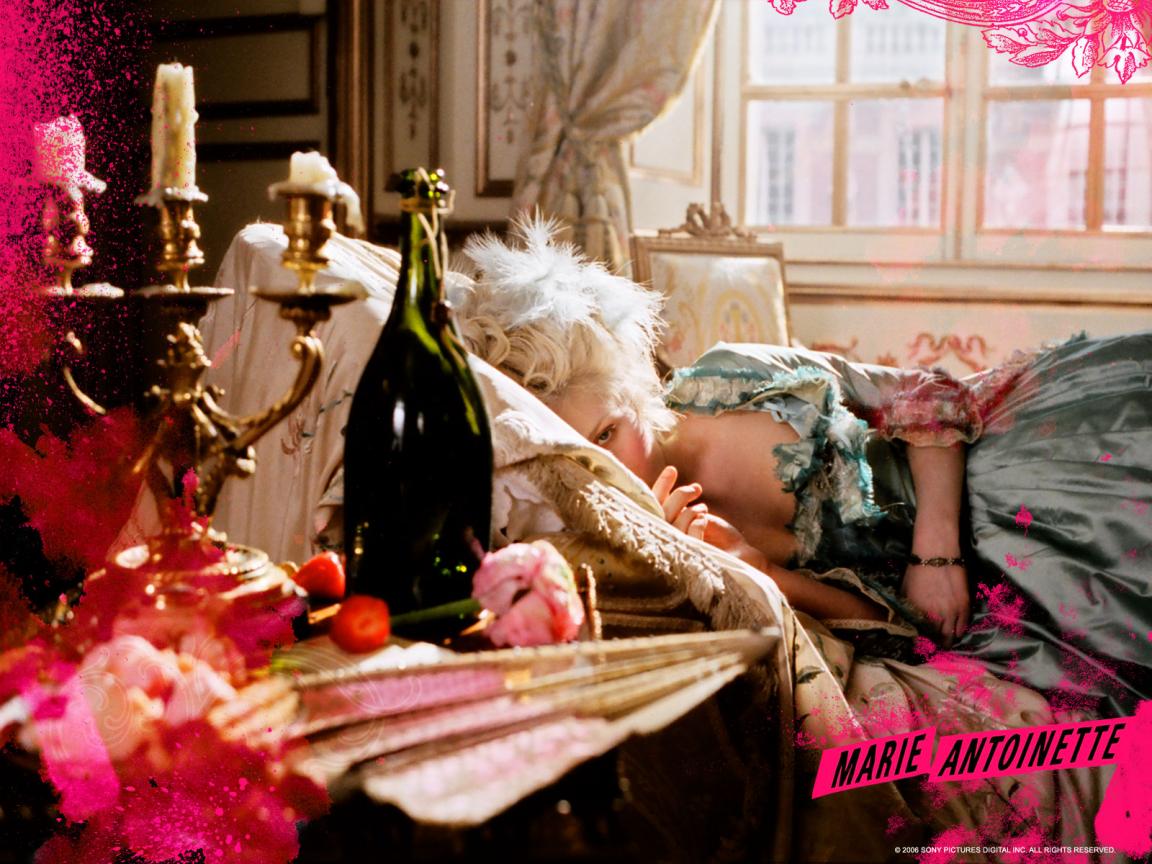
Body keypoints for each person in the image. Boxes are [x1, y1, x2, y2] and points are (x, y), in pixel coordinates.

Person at [454, 218, 1152, 718]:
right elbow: (899, 633)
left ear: (633, 388)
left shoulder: (730, 374)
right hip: (1007, 590)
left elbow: (928, 392)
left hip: (999, 458)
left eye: (609, 431)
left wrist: (937, 548)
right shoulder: (656, 550)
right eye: (587, 451)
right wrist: (760, 572)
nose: (612, 464)